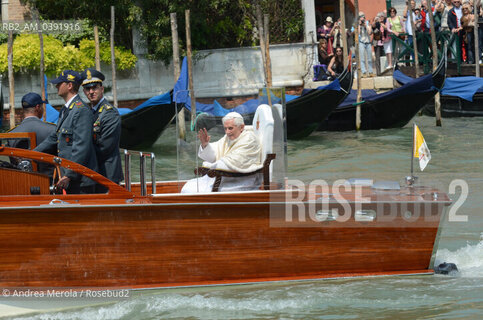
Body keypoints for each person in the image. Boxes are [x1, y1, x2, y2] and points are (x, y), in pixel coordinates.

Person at [35, 70, 98, 194]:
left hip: (80, 179)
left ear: (69, 86)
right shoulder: (66, 110)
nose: (56, 86)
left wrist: (69, 174)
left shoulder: (81, 110)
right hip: (69, 176)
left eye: (59, 83)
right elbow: (54, 137)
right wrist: (30, 154)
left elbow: (81, 147)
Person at [181, 112, 263, 193]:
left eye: (230, 128)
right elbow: (216, 151)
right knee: (189, 186)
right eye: (225, 128)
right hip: (225, 177)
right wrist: (205, 145)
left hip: (241, 181)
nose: (227, 132)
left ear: (241, 127)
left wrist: (212, 166)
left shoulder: (250, 139)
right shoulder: (228, 137)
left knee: (193, 190)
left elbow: (236, 162)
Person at [81, 68, 123, 188]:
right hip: (94, 172)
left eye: (95, 88)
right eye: (87, 89)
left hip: (108, 173)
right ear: (84, 91)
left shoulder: (110, 113)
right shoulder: (89, 112)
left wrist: (81, 157)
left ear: (102, 89)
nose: (91, 92)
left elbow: (105, 146)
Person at [7, 92, 55, 176]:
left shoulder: (11, 133)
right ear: (37, 107)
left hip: (22, 182)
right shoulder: (52, 129)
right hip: (49, 183)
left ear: (23, 108)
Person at [357, 12, 374, 77]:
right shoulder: (358, 25)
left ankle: (370, 71)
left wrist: (365, 25)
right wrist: (359, 25)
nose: (362, 19)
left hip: (368, 42)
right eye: (361, 17)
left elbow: (369, 32)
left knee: (369, 58)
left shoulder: (367, 24)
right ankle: (364, 72)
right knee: (362, 58)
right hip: (361, 42)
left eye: (363, 17)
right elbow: (358, 33)